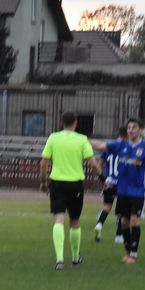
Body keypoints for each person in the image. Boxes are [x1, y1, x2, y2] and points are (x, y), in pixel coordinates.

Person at [91, 118, 145, 265]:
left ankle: (134, 253)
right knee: (124, 222)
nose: (130, 130)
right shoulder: (120, 145)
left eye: (134, 127)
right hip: (122, 190)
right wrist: (83, 140)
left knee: (134, 220)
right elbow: (101, 146)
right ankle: (128, 251)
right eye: (129, 128)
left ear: (140, 129)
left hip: (138, 191)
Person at [41, 112, 103, 270]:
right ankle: (75, 258)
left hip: (57, 183)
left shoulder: (53, 138)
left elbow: (44, 162)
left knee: (58, 219)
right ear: (75, 123)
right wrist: (102, 179)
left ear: (62, 122)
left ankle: (59, 259)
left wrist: (43, 181)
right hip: (75, 184)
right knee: (74, 220)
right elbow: (93, 163)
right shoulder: (82, 139)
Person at [94, 126, 128, 244]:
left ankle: (99, 224)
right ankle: (119, 235)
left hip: (109, 181)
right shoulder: (127, 147)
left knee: (107, 207)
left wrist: (104, 179)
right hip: (121, 182)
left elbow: (99, 164)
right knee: (122, 210)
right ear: (127, 134)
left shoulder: (109, 147)